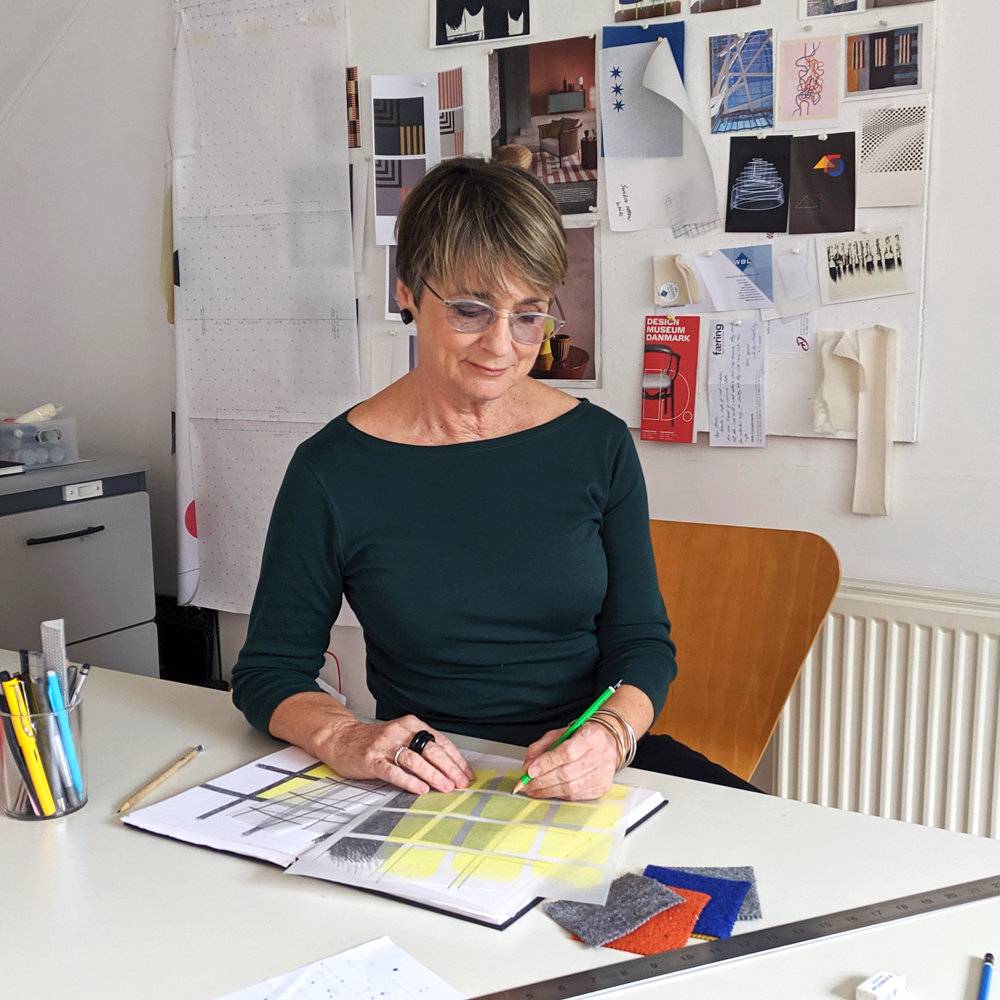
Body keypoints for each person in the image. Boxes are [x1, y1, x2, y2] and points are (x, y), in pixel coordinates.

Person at [231, 157, 757, 800]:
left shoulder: (598, 445)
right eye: (471, 311)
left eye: (529, 315)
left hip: (590, 768)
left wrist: (612, 735)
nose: (503, 346)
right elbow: (270, 671)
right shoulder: (331, 471)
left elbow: (640, 642)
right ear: (406, 289)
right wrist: (347, 737)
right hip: (431, 780)